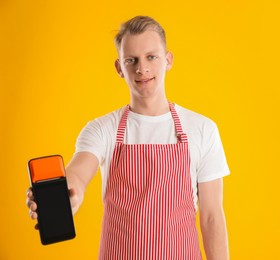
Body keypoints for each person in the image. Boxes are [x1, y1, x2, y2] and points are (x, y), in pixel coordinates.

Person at [26, 16, 230, 260]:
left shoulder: (202, 129)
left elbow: (211, 216)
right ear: (119, 68)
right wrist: (69, 193)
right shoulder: (102, 129)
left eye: (151, 57)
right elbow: (79, 172)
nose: (141, 68)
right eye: (131, 60)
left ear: (168, 61)